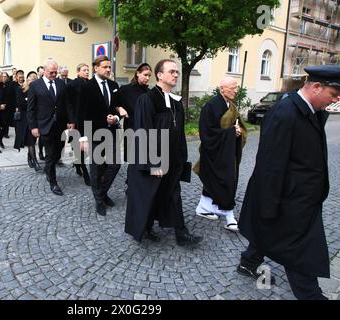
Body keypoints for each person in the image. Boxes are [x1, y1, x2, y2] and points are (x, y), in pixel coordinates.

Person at [237, 65, 340, 300]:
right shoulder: (285, 113)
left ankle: (248, 262)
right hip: (290, 202)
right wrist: (268, 208)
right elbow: (270, 165)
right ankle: (312, 296)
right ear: (316, 87)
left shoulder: (312, 110)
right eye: (333, 94)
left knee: (269, 235)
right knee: (299, 252)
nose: (335, 100)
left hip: (304, 198)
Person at [125, 59, 202, 246]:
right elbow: (144, 131)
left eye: (177, 72)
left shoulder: (176, 102)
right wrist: (153, 163)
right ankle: (146, 227)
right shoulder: (148, 99)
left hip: (172, 160)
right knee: (149, 196)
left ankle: (181, 234)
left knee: (173, 194)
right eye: (172, 71)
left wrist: (181, 159)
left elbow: (179, 132)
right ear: (160, 75)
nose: (176, 74)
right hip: (155, 160)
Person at [193, 77, 247, 232]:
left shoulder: (232, 106)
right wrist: (231, 133)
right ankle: (229, 216)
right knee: (225, 181)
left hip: (228, 152)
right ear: (222, 88)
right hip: (214, 153)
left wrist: (237, 132)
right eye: (233, 87)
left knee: (218, 181)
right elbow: (207, 134)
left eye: (236, 87)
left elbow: (240, 126)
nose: (236, 90)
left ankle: (203, 207)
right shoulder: (210, 107)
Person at [78, 56, 121, 216]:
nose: (108, 70)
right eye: (105, 67)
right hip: (93, 134)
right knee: (96, 169)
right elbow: (81, 112)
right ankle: (99, 200)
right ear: (96, 68)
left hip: (111, 132)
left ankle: (101, 194)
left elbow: (117, 108)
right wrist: (83, 138)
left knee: (114, 165)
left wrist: (116, 117)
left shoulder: (114, 85)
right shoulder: (87, 87)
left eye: (109, 67)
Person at [27, 59, 72, 196]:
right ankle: (53, 182)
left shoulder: (61, 84)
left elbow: (67, 104)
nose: (53, 74)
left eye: (55, 72)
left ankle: (48, 168)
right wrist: (33, 127)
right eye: (51, 72)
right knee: (51, 154)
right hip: (44, 125)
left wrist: (71, 120)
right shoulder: (35, 85)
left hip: (60, 124)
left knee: (58, 152)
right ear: (45, 71)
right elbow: (31, 109)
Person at [119, 63, 152, 163]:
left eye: (149, 76)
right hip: (131, 128)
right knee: (132, 160)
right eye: (145, 75)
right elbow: (115, 104)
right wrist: (119, 108)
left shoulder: (149, 92)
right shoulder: (125, 89)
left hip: (146, 130)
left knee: (144, 160)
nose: (147, 78)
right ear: (138, 73)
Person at [66, 63, 91, 185]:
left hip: (89, 120)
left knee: (86, 148)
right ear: (78, 71)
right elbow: (69, 104)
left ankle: (78, 164)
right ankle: (85, 171)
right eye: (84, 70)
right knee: (79, 147)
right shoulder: (73, 84)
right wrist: (71, 121)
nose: (87, 72)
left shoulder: (90, 84)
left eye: (88, 70)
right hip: (76, 120)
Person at [14, 71, 41, 172]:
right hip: (25, 119)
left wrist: (29, 102)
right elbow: (20, 103)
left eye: (35, 79)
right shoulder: (20, 89)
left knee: (33, 140)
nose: (32, 81)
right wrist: (30, 103)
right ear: (27, 79)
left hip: (35, 118)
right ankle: (35, 161)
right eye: (31, 79)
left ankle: (30, 157)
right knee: (30, 140)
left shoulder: (37, 90)